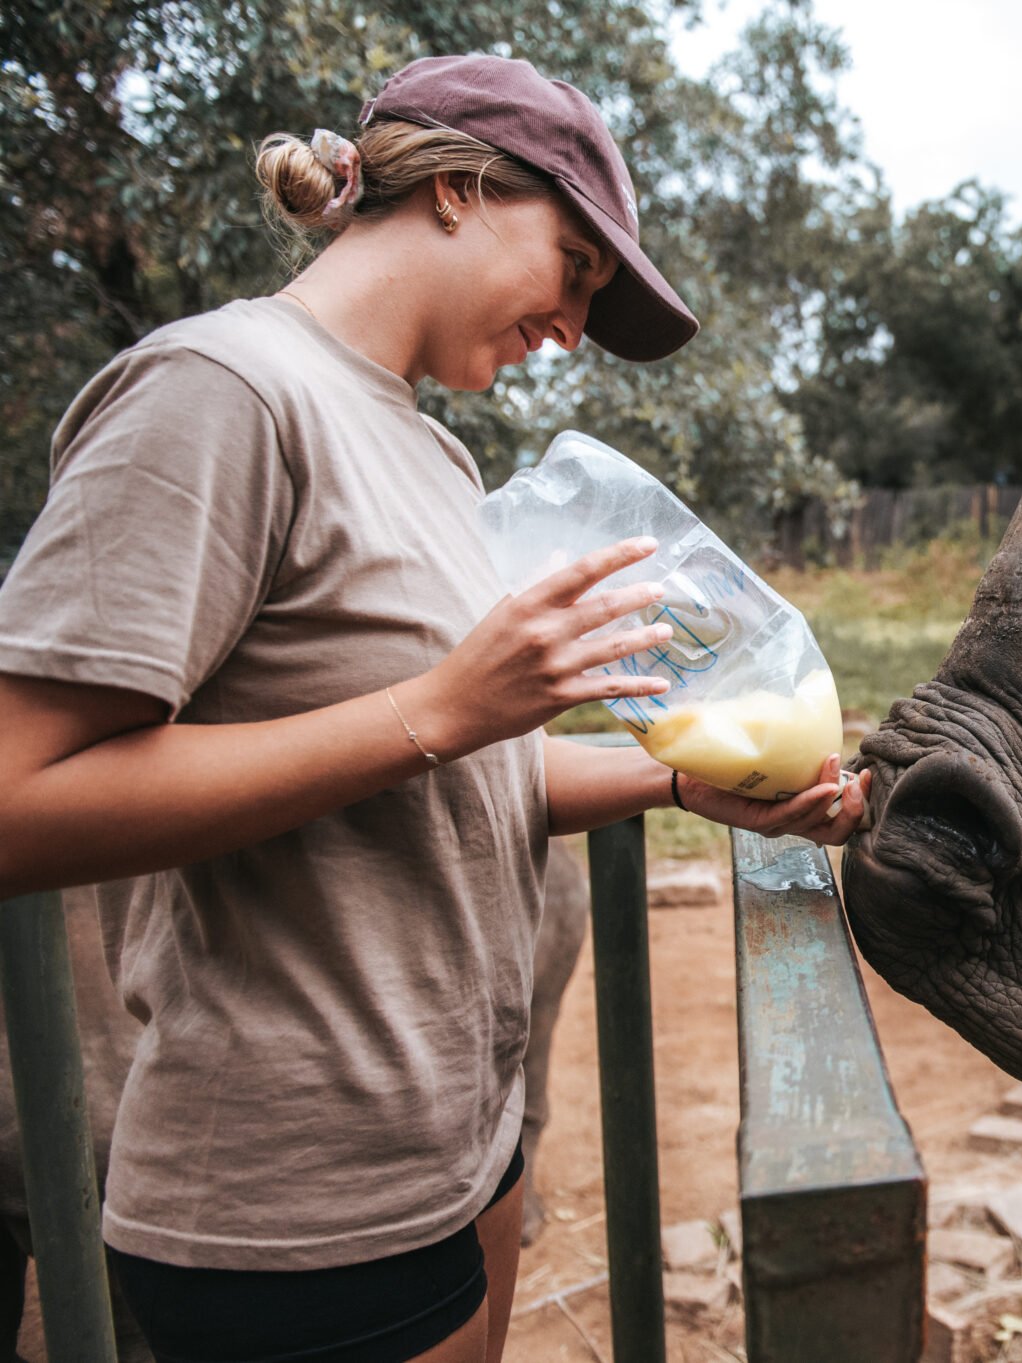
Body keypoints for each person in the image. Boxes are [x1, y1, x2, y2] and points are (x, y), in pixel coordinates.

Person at [0, 54, 867, 1363]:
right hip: (297, 1196)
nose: (573, 329)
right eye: (576, 266)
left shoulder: (429, 447)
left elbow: (464, 773)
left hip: (456, 1143)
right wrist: (443, 707)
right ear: (460, 188)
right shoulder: (220, 392)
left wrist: (682, 786)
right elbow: (16, 802)